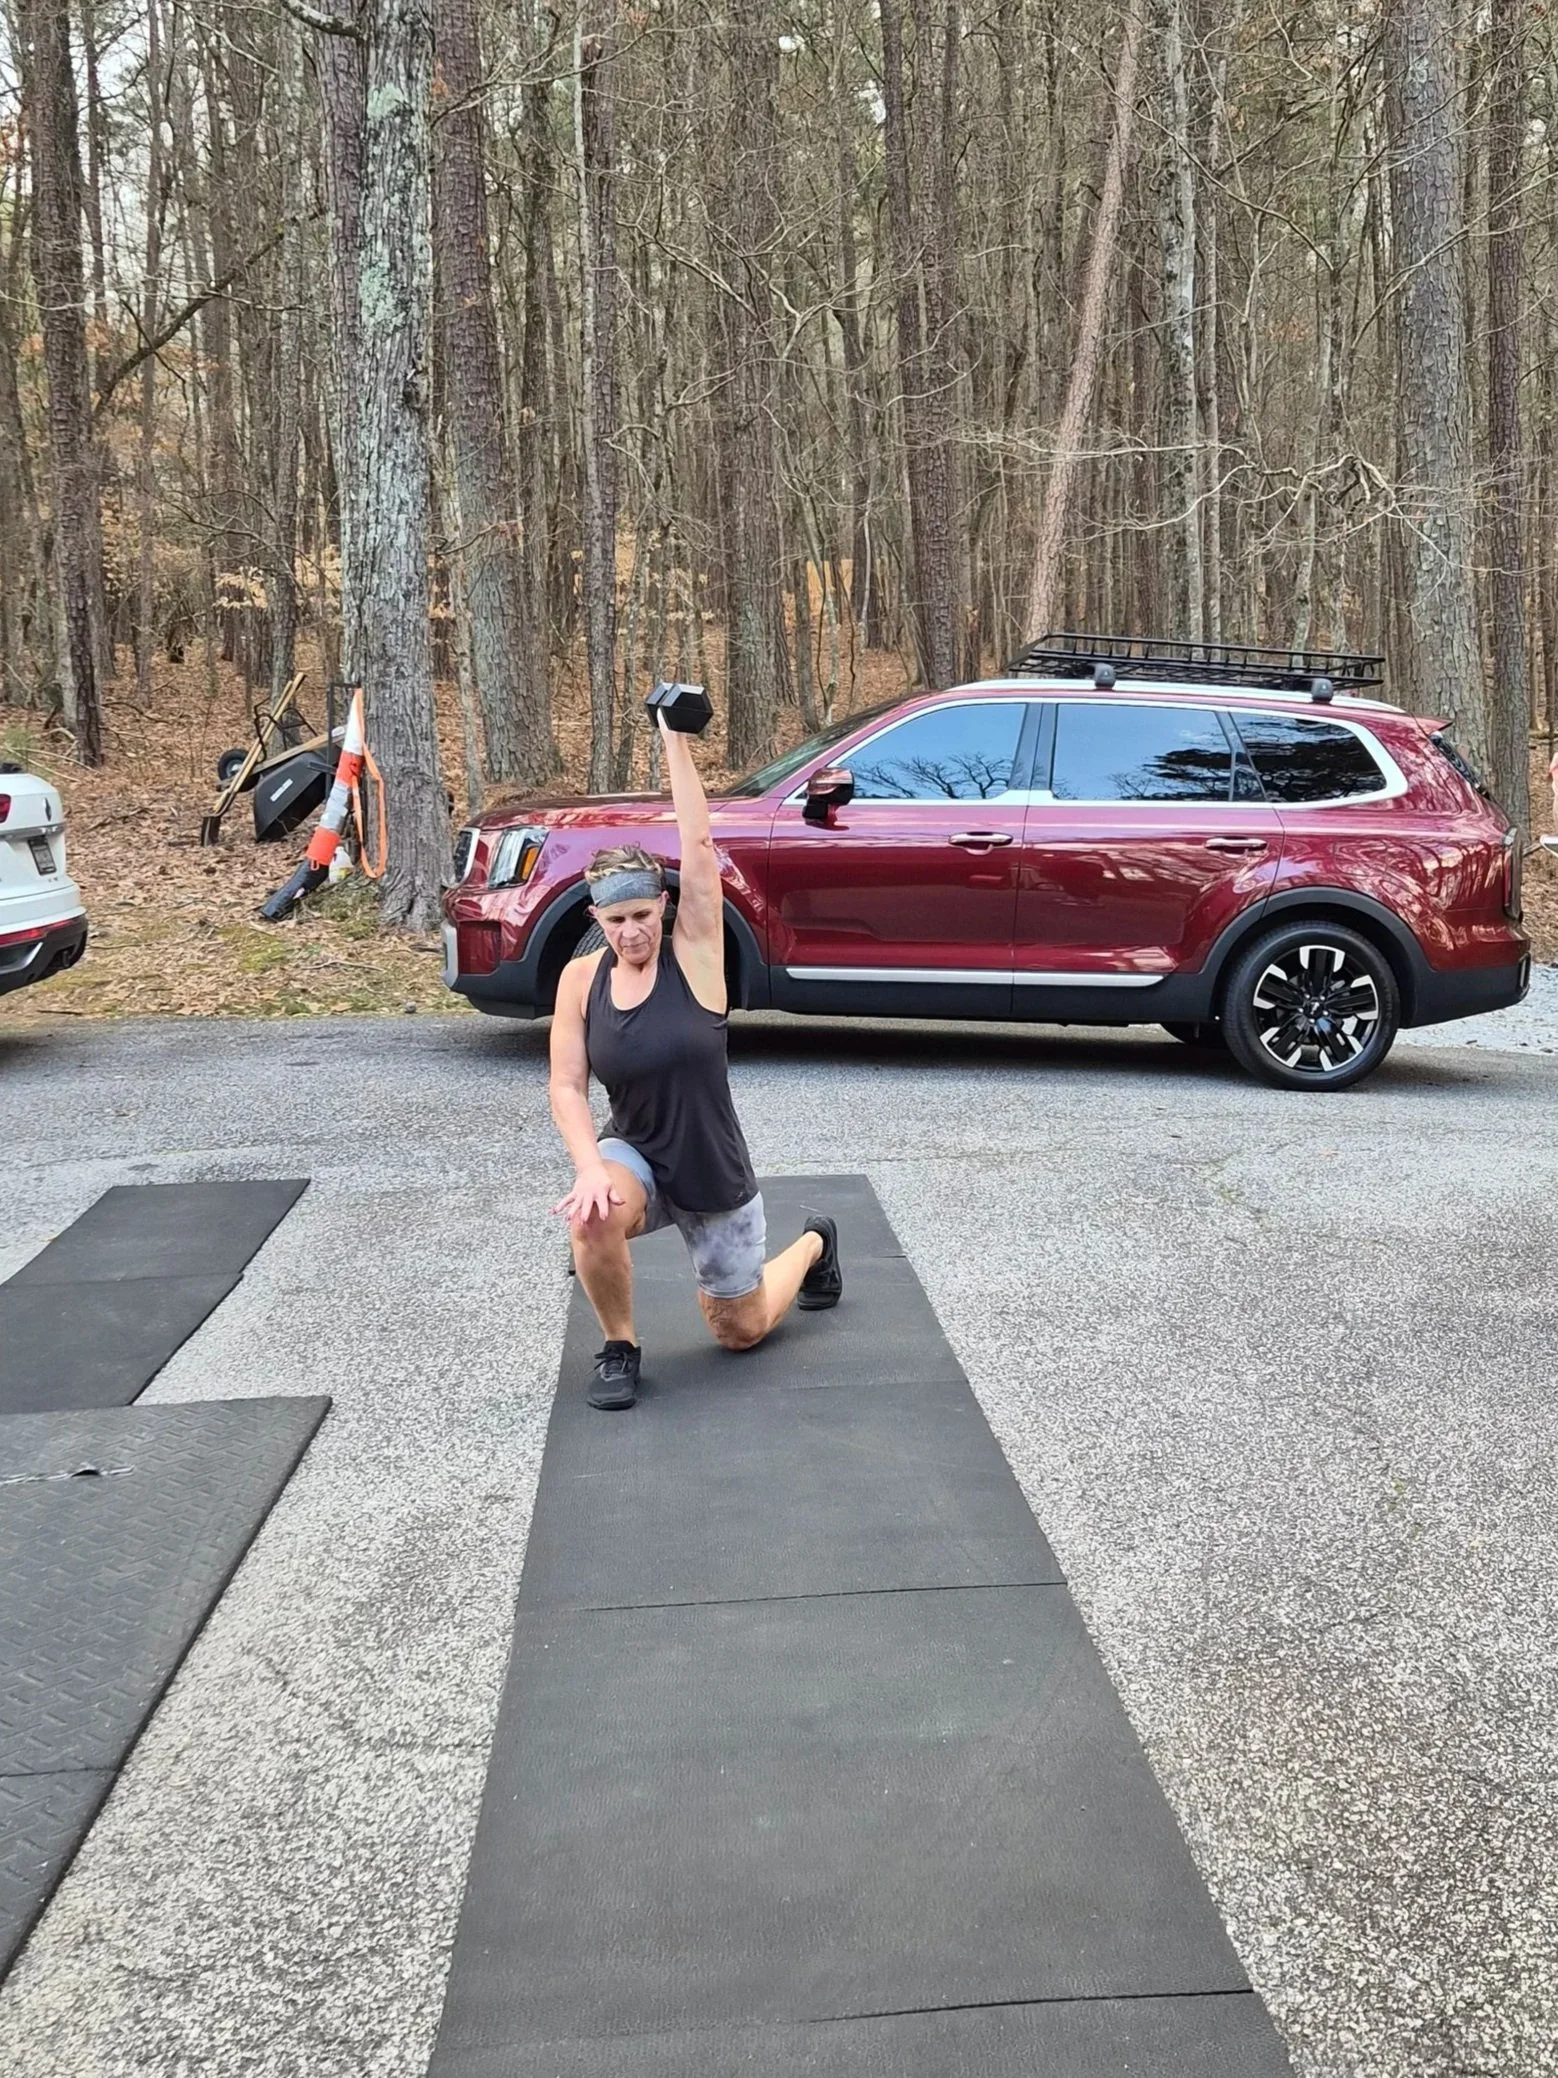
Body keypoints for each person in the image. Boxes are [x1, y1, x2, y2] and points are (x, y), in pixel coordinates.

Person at [548, 710, 841, 1409]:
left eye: (643, 915)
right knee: (589, 1217)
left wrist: (672, 738)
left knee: (737, 1332)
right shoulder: (581, 982)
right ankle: (620, 1347)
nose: (632, 931)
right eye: (616, 921)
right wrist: (591, 1167)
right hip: (638, 1154)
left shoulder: (699, 961)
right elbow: (565, 1083)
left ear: (663, 907)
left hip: (712, 1169)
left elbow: (699, 841)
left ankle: (813, 1248)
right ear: (597, 921)